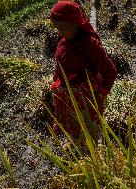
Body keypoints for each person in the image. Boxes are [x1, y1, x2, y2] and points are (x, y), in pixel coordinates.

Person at [47, 1, 117, 140]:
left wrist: (102, 94)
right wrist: (57, 78)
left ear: (76, 24)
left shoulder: (90, 44)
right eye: (56, 27)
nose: (59, 31)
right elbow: (60, 61)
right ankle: (73, 141)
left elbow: (111, 70)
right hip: (67, 90)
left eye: (62, 27)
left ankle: (86, 150)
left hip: (84, 96)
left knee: (85, 124)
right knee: (70, 119)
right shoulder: (64, 37)